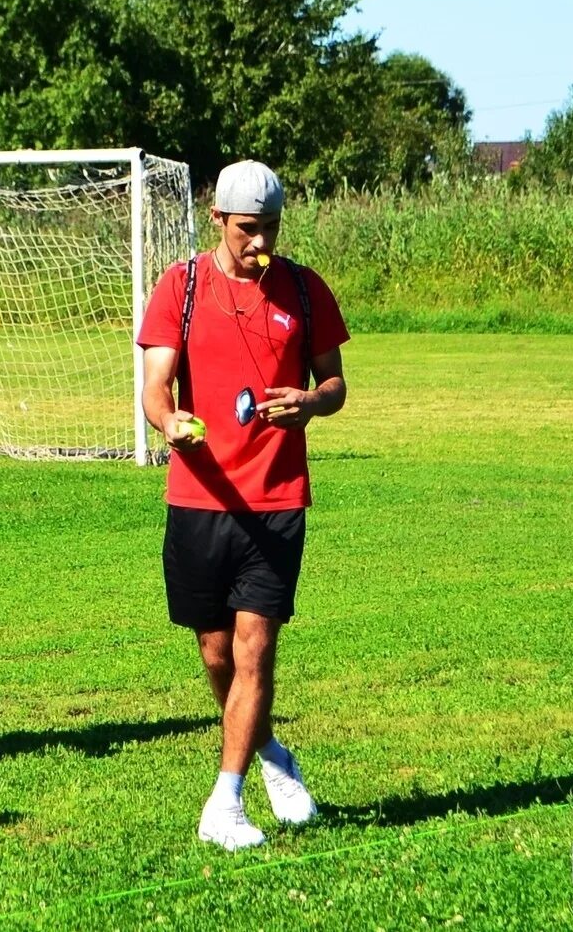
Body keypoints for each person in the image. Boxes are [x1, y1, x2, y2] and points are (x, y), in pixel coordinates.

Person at [137, 160, 349, 851]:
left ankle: (222, 802)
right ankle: (268, 753)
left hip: (277, 499)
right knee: (216, 650)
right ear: (219, 220)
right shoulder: (183, 286)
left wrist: (311, 403)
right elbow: (155, 386)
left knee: (257, 647)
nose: (261, 245)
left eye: (272, 231)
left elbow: (336, 383)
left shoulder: (305, 290)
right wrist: (169, 422)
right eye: (249, 231)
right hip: (199, 497)